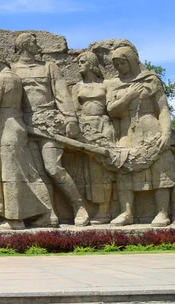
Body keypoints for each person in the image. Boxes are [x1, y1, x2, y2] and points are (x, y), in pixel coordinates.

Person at [106, 46, 175, 226]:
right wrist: (128, 96)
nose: (119, 67)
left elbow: (162, 109)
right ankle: (126, 213)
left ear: (131, 60)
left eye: (122, 63)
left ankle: (162, 213)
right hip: (127, 132)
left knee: (161, 170)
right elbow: (112, 111)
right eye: (116, 64)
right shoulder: (113, 84)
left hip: (151, 128)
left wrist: (166, 133)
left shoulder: (151, 80)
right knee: (124, 167)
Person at [12, 32, 90, 227]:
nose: (37, 45)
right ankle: (49, 213)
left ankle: (78, 206)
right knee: (36, 172)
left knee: (53, 168)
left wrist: (70, 118)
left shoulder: (49, 67)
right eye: (33, 42)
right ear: (24, 45)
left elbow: (61, 94)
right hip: (26, 125)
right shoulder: (12, 70)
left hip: (50, 123)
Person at [0, 49, 50, 229]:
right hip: (16, 126)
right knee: (29, 172)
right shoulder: (15, 77)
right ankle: (47, 215)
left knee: (11, 173)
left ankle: (16, 220)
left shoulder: (1, 78)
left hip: (7, 127)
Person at [72, 51, 116, 224]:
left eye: (82, 61)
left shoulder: (105, 85)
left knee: (105, 169)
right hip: (86, 127)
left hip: (103, 124)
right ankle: (95, 208)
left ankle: (105, 210)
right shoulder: (77, 87)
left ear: (91, 64)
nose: (79, 65)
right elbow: (75, 111)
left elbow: (111, 107)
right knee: (90, 171)